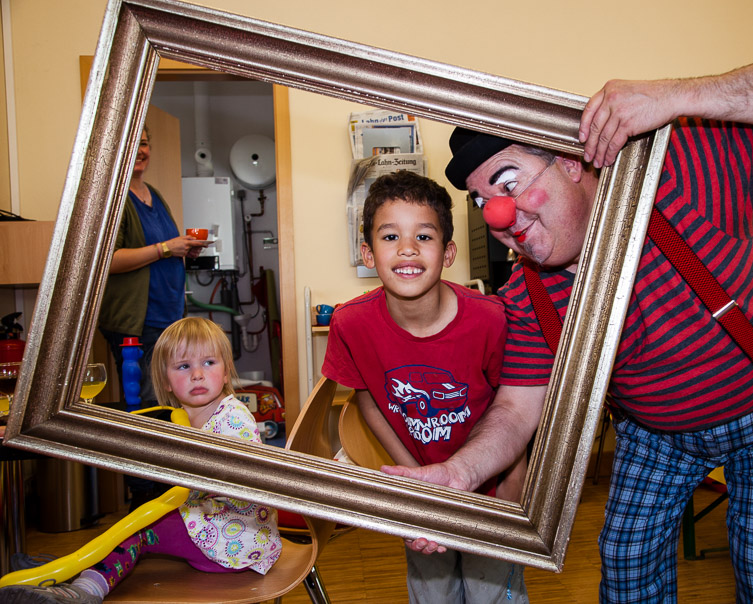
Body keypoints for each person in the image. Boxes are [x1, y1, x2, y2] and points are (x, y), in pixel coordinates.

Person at [383, 60, 753, 602]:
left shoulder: (680, 169)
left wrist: (679, 94)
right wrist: (459, 473)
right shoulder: (527, 295)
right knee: (627, 562)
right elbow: (516, 409)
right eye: (483, 201)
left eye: (508, 184)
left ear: (569, 161)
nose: (499, 215)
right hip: (660, 432)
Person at [321, 170, 529, 603]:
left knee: (492, 592)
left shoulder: (491, 319)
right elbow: (369, 399)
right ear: (367, 252)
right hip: (420, 494)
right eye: (390, 236)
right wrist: (415, 482)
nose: (408, 249)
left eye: (425, 237)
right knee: (431, 590)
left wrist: (509, 500)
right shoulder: (349, 324)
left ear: (448, 252)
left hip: (489, 496)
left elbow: (513, 410)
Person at [0, 317, 283, 604]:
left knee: (137, 530)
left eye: (209, 363)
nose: (197, 374)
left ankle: (81, 591)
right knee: (133, 521)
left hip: (233, 540)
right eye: (184, 366)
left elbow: (245, 474)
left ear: (226, 373)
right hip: (220, 528)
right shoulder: (186, 418)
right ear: (166, 382)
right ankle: (61, 571)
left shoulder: (233, 419)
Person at [97, 125, 207, 509]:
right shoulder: (113, 197)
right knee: (145, 412)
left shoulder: (153, 195)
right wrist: (164, 248)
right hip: (136, 324)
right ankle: (145, 501)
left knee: (168, 411)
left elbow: (161, 250)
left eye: (144, 142)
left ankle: (169, 500)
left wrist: (183, 251)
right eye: (132, 143)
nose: (140, 150)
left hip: (168, 319)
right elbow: (107, 260)